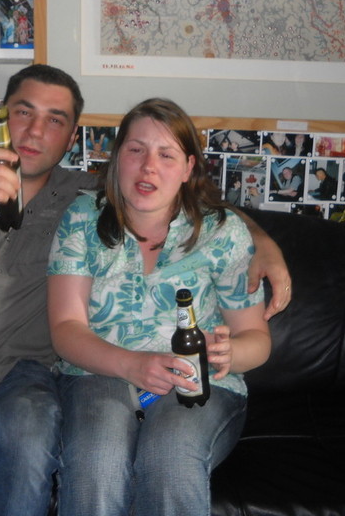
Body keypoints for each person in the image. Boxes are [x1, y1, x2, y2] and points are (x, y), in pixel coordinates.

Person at [0, 65, 291, 516]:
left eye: (55, 120)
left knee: (32, 440)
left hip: (16, 377)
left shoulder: (85, 196)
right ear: (1, 115)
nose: (35, 131)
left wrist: (264, 241)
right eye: (23, 112)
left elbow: (175, 197)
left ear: (71, 136)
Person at [48, 98, 271, 516]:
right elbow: (65, 329)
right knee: (96, 461)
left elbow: (257, 339)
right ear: (118, 158)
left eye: (166, 155)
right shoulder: (82, 218)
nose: (148, 166)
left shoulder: (223, 232)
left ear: (188, 168)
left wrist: (230, 353)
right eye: (136, 150)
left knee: (169, 459)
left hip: (197, 384)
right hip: (98, 374)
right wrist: (132, 364)